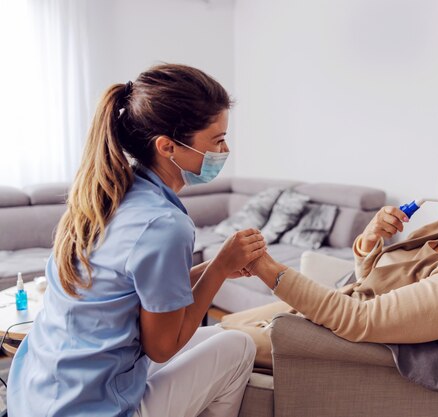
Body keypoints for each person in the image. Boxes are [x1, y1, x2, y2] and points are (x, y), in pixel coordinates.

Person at [7, 64, 265, 417]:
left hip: (38, 396)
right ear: (167, 146)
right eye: (217, 140)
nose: (226, 149)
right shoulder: (165, 224)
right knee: (237, 347)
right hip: (92, 408)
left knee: (220, 338)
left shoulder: (105, 194)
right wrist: (219, 269)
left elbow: (133, 291)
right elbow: (162, 347)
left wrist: (213, 267)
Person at [221, 137, 438, 369]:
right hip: (339, 316)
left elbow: (360, 319)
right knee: (225, 326)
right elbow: (377, 287)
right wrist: (370, 239)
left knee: (215, 344)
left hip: (345, 346)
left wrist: (264, 265)